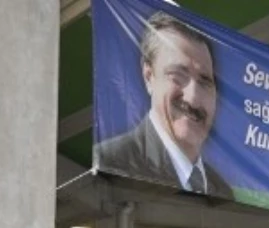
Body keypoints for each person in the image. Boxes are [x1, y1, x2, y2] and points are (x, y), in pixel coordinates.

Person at [94, 11, 234, 199]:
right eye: (178, 76)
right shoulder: (111, 162)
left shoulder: (222, 191)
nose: (193, 98)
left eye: (205, 82)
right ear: (149, 76)